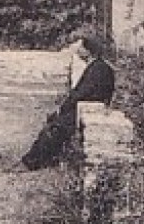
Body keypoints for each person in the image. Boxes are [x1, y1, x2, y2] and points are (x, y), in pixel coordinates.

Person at [20, 34, 116, 170]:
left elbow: (82, 93)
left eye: (82, 47)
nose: (78, 50)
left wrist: (64, 107)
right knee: (53, 122)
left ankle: (31, 162)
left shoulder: (98, 69)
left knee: (53, 128)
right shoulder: (98, 66)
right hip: (86, 106)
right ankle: (39, 159)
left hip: (87, 109)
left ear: (89, 51)